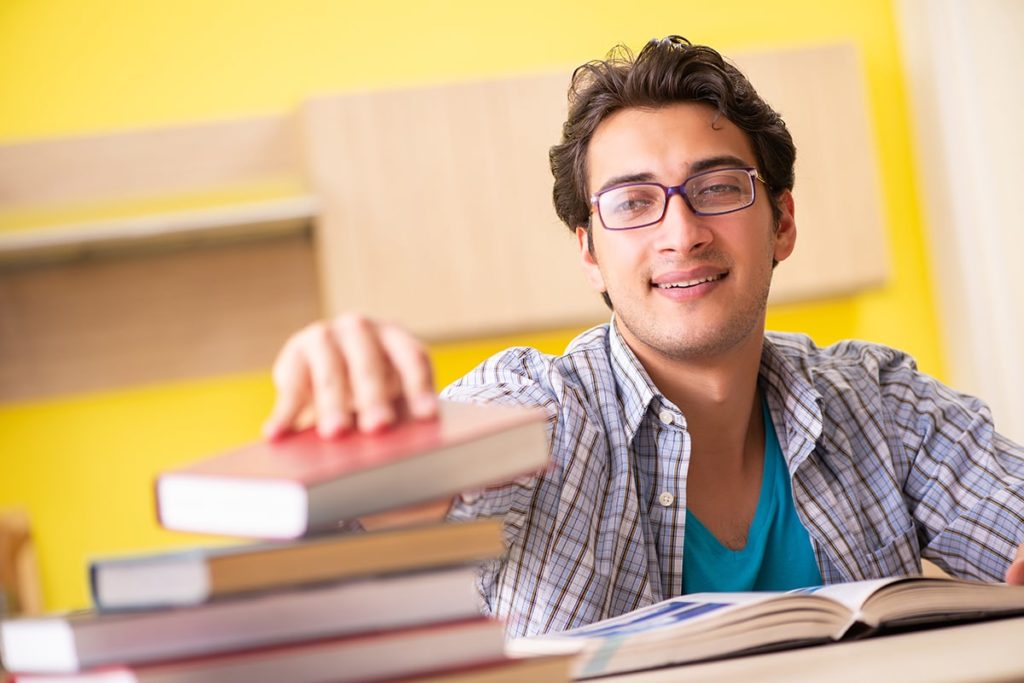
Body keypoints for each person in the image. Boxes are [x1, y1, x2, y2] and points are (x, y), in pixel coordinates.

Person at [262, 36, 1024, 638]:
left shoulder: (881, 403)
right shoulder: (534, 411)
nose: (681, 233)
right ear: (590, 250)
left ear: (782, 223)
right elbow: (359, 548)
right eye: (632, 203)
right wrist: (351, 452)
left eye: (719, 188)